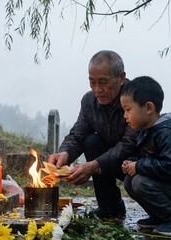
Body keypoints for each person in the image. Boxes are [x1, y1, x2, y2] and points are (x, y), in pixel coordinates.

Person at [47, 50, 136, 218]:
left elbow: (129, 144)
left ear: (121, 78)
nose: (97, 89)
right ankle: (110, 206)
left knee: (136, 180)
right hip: (109, 161)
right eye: (92, 82)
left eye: (103, 82)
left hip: (137, 160)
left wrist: (93, 166)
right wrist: (64, 154)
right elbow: (77, 134)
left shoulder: (135, 98)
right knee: (91, 141)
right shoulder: (89, 101)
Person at [120, 76, 171, 236]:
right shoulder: (147, 131)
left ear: (148, 108)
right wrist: (133, 163)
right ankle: (160, 216)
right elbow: (154, 160)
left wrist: (138, 166)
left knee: (139, 182)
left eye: (128, 110)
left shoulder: (167, 133)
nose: (125, 116)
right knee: (130, 181)